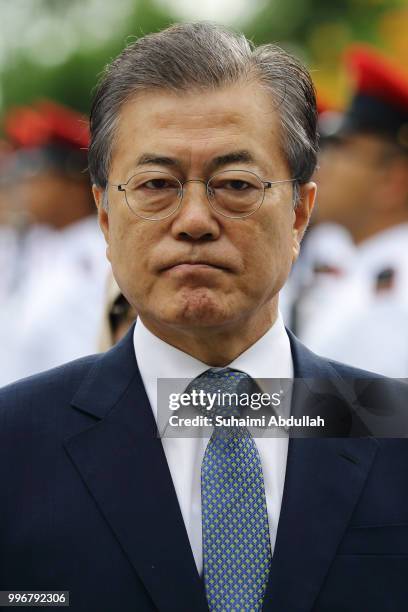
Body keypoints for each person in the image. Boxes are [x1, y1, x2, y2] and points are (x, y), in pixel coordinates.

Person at [0, 23, 407, 612]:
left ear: (299, 214)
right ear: (106, 217)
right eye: (157, 184)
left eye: (236, 184)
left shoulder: (385, 422)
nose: (194, 219)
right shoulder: (15, 445)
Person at [293, 46, 408, 375]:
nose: (322, 167)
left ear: (392, 180)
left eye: (342, 151)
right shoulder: (370, 275)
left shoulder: (393, 296)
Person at [0, 101, 109, 385]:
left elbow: (93, 358)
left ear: (72, 181)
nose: (24, 186)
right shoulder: (47, 248)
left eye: (36, 173)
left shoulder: (100, 257)